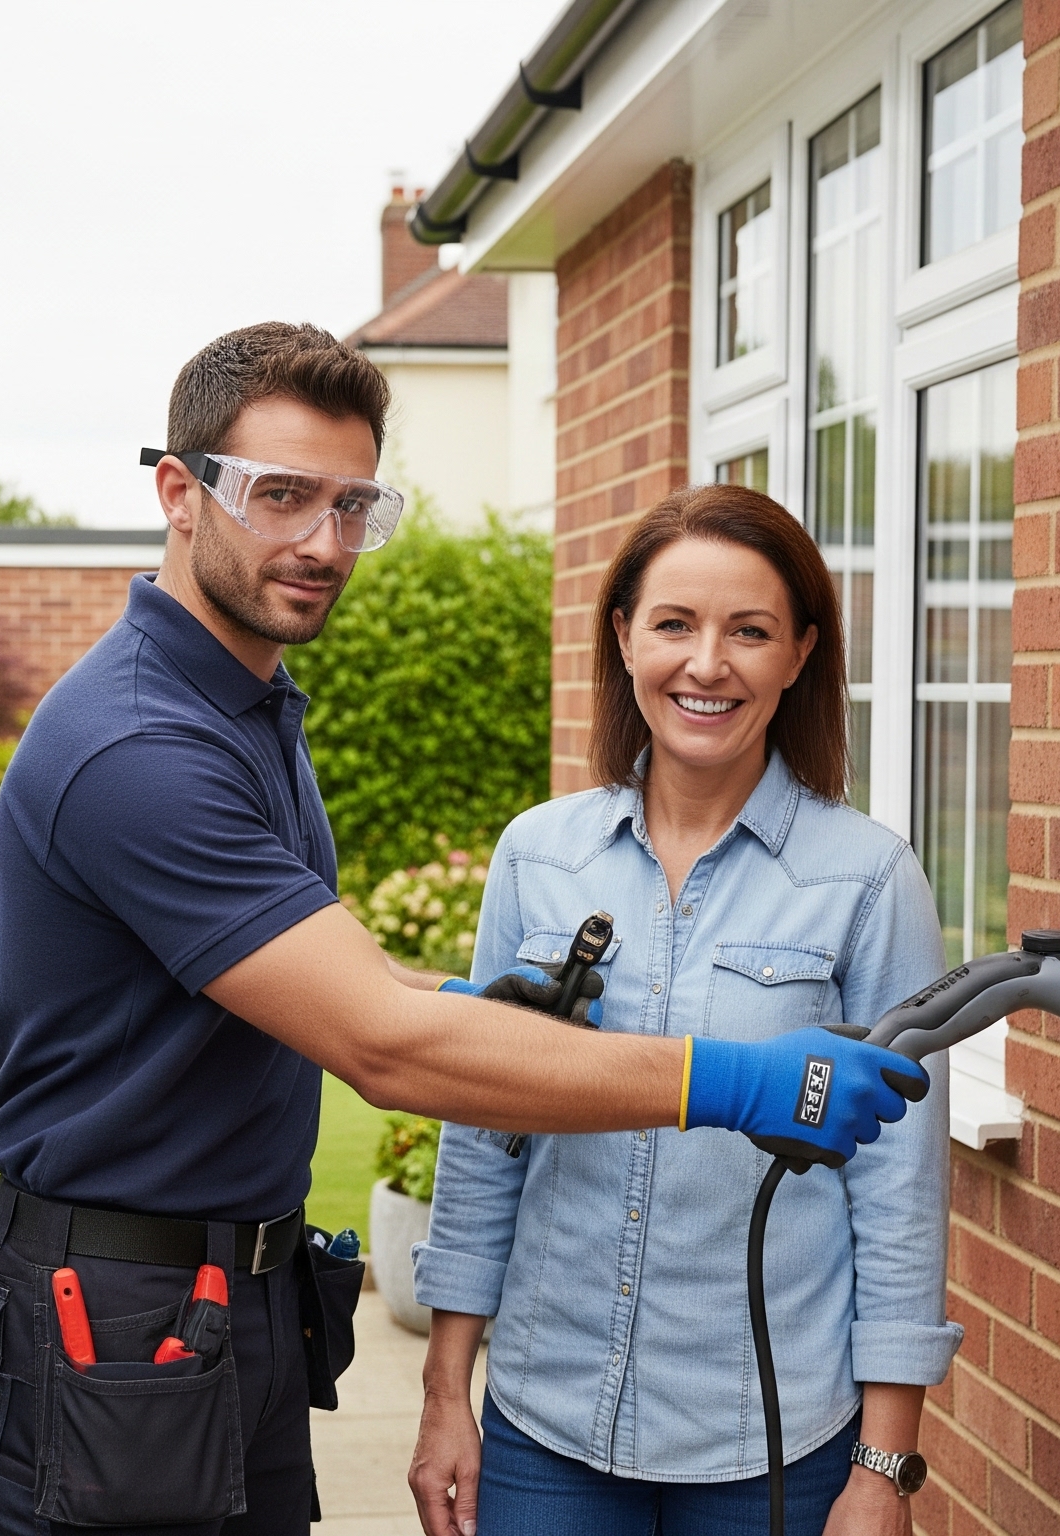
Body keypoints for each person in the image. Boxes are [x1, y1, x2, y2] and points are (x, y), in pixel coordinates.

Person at [0, 323, 928, 1536]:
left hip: (222, 1307)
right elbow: (384, 1050)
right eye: (281, 496)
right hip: (116, 1321)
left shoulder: (248, 705)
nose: (322, 543)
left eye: (353, 505)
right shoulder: (141, 745)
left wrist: (473, 1008)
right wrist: (732, 1079)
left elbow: (320, 981)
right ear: (179, 495)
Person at [407, 485, 961, 1536]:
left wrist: (880, 1469)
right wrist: (446, 1396)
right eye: (673, 624)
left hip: (773, 1439)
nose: (706, 664)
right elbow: (482, 1135)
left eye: (747, 632)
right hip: (545, 1423)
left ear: (799, 653)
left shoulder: (866, 880)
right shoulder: (538, 856)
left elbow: (898, 1189)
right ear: (623, 637)